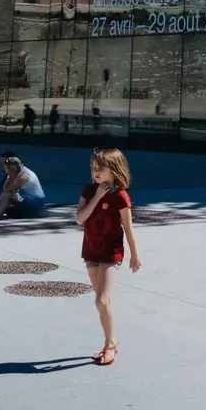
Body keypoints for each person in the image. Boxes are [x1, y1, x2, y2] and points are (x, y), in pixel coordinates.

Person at [77, 149, 140, 366]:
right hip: (91, 251)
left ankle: (110, 343)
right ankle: (109, 342)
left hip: (111, 253)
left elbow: (128, 227)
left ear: (114, 170)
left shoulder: (121, 196)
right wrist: (97, 197)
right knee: (103, 302)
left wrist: (134, 254)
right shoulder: (89, 190)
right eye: (94, 168)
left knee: (101, 300)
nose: (96, 172)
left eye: (100, 168)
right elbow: (80, 219)